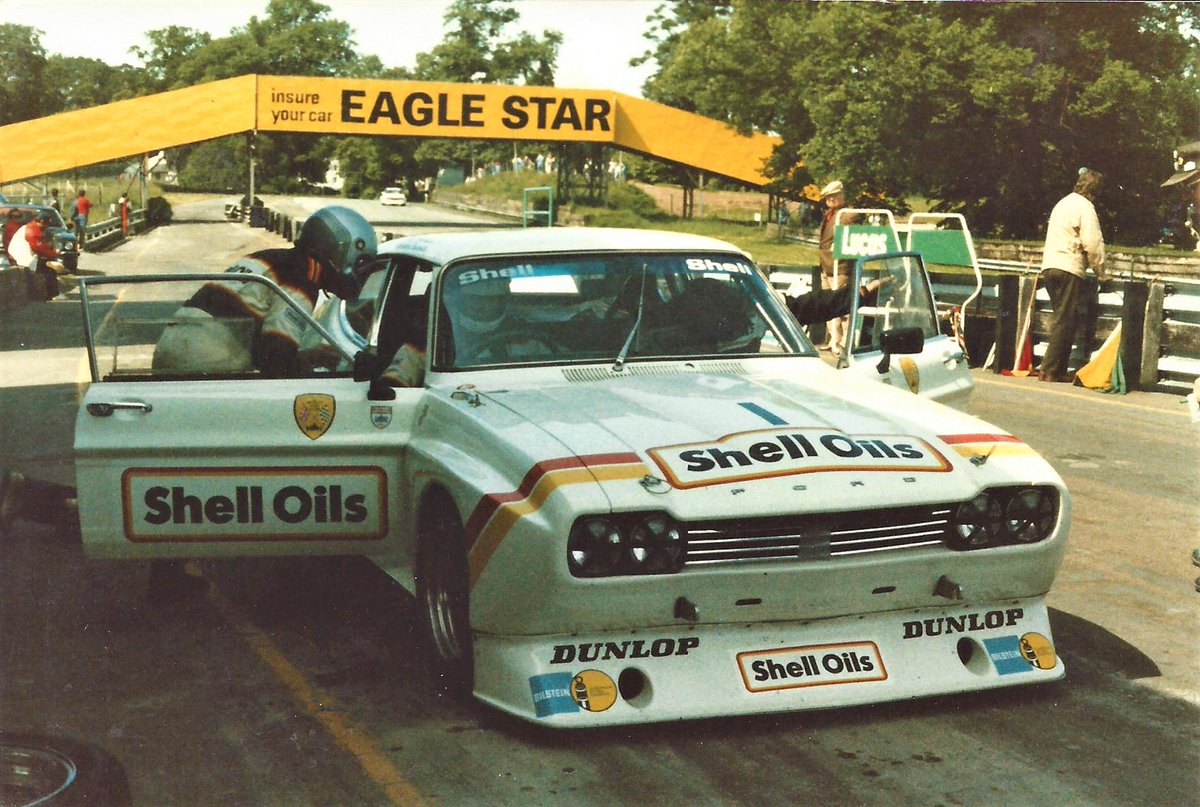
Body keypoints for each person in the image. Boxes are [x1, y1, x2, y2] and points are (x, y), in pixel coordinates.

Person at [152, 205, 378, 375]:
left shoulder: (268, 256)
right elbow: (276, 363)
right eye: (359, 262)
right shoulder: (302, 280)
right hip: (205, 359)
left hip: (169, 345)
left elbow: (263, 349)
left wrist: (306, 357)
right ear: (341, 250)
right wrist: (309, 364)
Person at [1038, 168, 1107, 383]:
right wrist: (1101, 272)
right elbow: (1093, 243)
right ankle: (1050, 371)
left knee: (1062, 317)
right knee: (1065, 320)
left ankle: (1052, 369)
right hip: (1069, 266)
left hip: (1050, 265)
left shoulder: (1063, 202)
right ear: (1094, 190)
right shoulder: (1086, 207)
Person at [817, 180, 854, 355]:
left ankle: (845, 343)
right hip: (826, 266)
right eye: (827, 197)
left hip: (840, 268)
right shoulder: (829, 215)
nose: (830, 200)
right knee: (828, 305)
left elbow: (848, 242)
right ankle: (834, 340)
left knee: (841, 304)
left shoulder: (848, 215)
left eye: (833, 196)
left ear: (841, 195)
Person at [8, 212, 67, 299]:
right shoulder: (32, 230)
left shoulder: (32, 227)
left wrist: (48, 247)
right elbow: (38, 248)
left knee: (43, 270)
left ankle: (43, 294)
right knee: (48, 270)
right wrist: (54, 254)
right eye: (46, 224)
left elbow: (41, 245)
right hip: (23, 256)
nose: (47, 226)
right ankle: (53, 294)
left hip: (23, 253)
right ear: (42, 221)